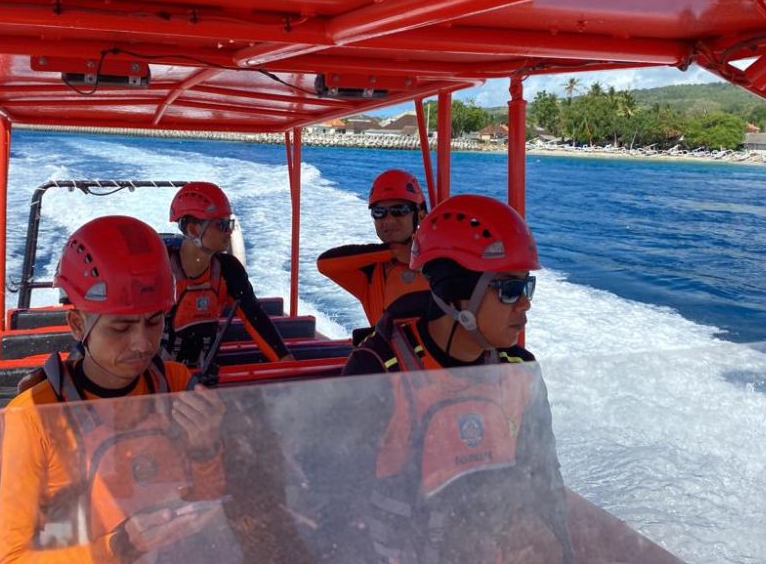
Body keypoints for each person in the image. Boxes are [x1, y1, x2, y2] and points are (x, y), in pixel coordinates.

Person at [335, 194, 574, 563]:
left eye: (528, 288)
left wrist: (560, 548)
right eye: (509, 289)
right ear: (455, 298)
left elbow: (543, 476)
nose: (525, 304)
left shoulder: (519, 370)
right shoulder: (378, 370)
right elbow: (338, 501)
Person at [0, 215, 228, 563]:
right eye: (120, 328)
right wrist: (119, 547)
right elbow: (11, 558)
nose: (142, 344)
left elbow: (209, 504)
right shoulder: (36, 415)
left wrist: (206, 448)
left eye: (154, 322)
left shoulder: (175, 384)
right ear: (77, 325)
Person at [166, 182, 293, 366]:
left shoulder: (228, 270)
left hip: (201, 378)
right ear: (193, 230)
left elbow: (254, 318)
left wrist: (285, 361)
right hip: (157, 382)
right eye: (222, 225)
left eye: (230, 223)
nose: (230, 231)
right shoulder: (159, 268)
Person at [316, 169, 431, 329]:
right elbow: (325, 264)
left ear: (420, 215)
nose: (389, 220)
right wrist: (395, 252)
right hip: (389, 353)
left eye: (399, 211)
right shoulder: (371, 272)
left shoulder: (442, 264)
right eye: (379, 212)